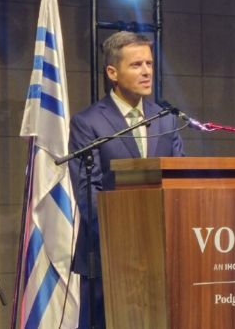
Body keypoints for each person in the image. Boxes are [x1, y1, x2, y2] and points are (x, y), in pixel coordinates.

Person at [69, 31, 185, 329]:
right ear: (113, 73)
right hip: (107, 253)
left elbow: (179, 181)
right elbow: (88, 192)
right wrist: (127, 238)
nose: (146, 71)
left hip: (162, 253)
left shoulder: (166, 118)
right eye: (136, 65)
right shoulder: (88, 122)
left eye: (149, 63)